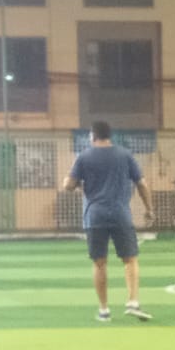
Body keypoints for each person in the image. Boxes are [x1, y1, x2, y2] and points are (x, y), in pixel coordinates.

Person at [64, 121, 154, 321]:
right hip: (121, 214)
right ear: (109, 136)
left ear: (93, 135)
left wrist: (72, 183)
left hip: (95, 216)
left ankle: (104, 310)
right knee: (130, 259)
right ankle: (133, 302)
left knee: (99, 263)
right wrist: (149, 209)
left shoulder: (84, 156)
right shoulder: (125, 155)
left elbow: (69, 185)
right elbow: (142, 184)